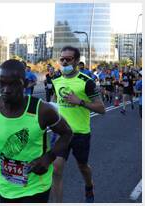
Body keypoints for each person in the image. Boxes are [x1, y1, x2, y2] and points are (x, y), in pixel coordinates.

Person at [0, 59, 73, 203]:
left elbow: (67, 133)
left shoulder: (42, 110)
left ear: (25, 84)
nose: (6, 89)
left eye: (13, 84)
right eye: (2, 83)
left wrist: (49, 157)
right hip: (6, 186)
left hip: (37, 186)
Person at [51, 46, 105, 203]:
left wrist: (80, 102)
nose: (64, 62)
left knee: (83, 167)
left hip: (80, 133)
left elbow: (101, 109)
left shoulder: (86, 82)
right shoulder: (57, 80)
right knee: (56, 169)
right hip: (60, 132)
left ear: (76, 61)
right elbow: (55, 101)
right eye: (62, 59)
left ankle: (89, 185)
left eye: (68, 59)